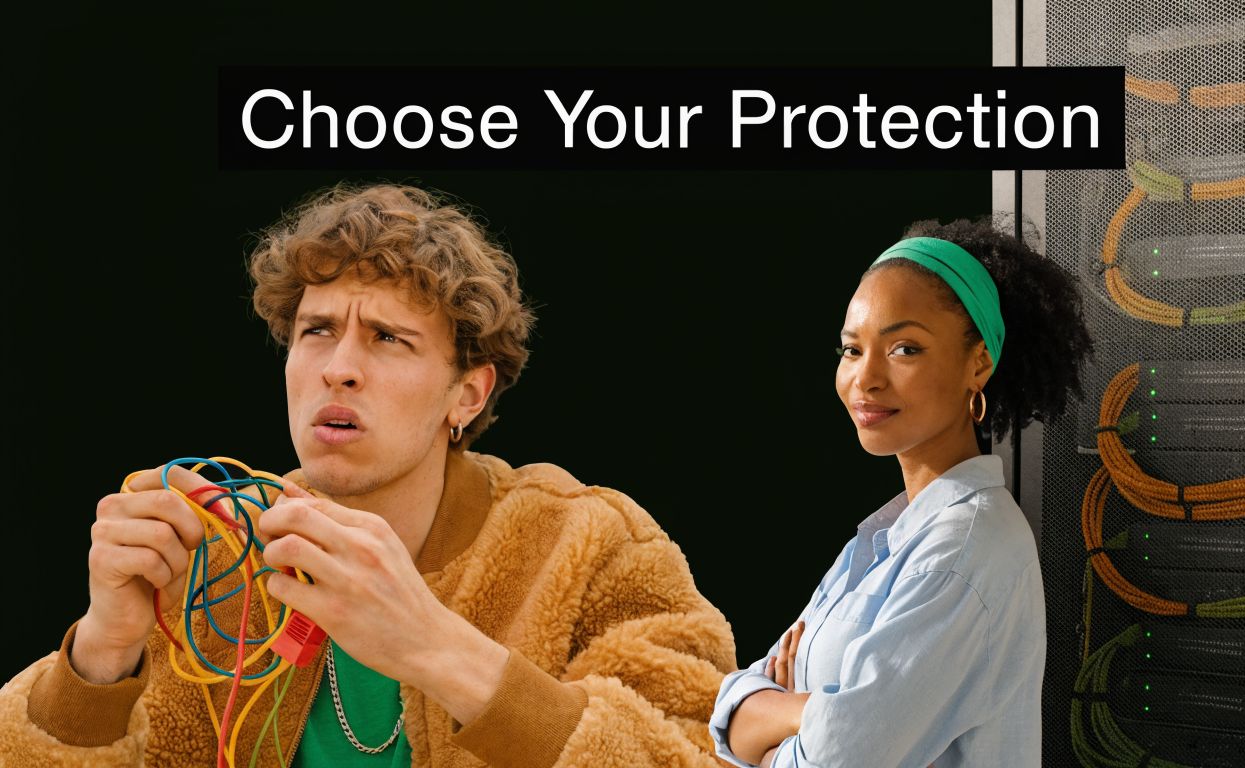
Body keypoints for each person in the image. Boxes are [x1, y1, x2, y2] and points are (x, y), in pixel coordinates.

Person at [0, 184, 736, 767]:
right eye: (316, 331)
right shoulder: (211, 561)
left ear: (467, 394)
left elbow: (702, 755)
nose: (339, 367)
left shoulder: (590, 545)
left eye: (388, 338)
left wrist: (432, 645)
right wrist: (100, 654)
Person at [710, 217, 1092, 767]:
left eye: (905, 349)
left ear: (978, 363)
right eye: (851, 350)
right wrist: (814, 712)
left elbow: (824, 760)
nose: (865, 379)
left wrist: (782, 713)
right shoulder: (880, 542)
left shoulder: (963, 553)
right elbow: (728, 717)